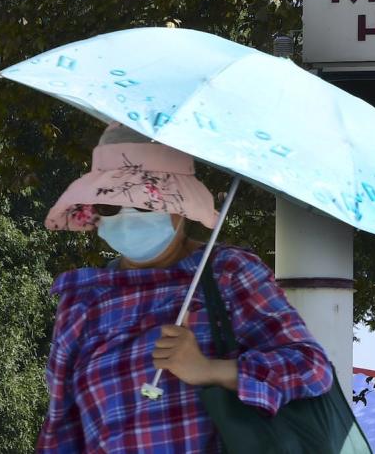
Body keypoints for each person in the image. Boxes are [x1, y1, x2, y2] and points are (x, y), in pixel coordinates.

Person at [37, 122, 334, 452]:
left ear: (181, 208)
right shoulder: (84, 301)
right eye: (110, 206)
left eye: (144, 204)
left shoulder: (228, 274)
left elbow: (312, 369)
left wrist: (211, 370)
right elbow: (62, 429)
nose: (126, 216)